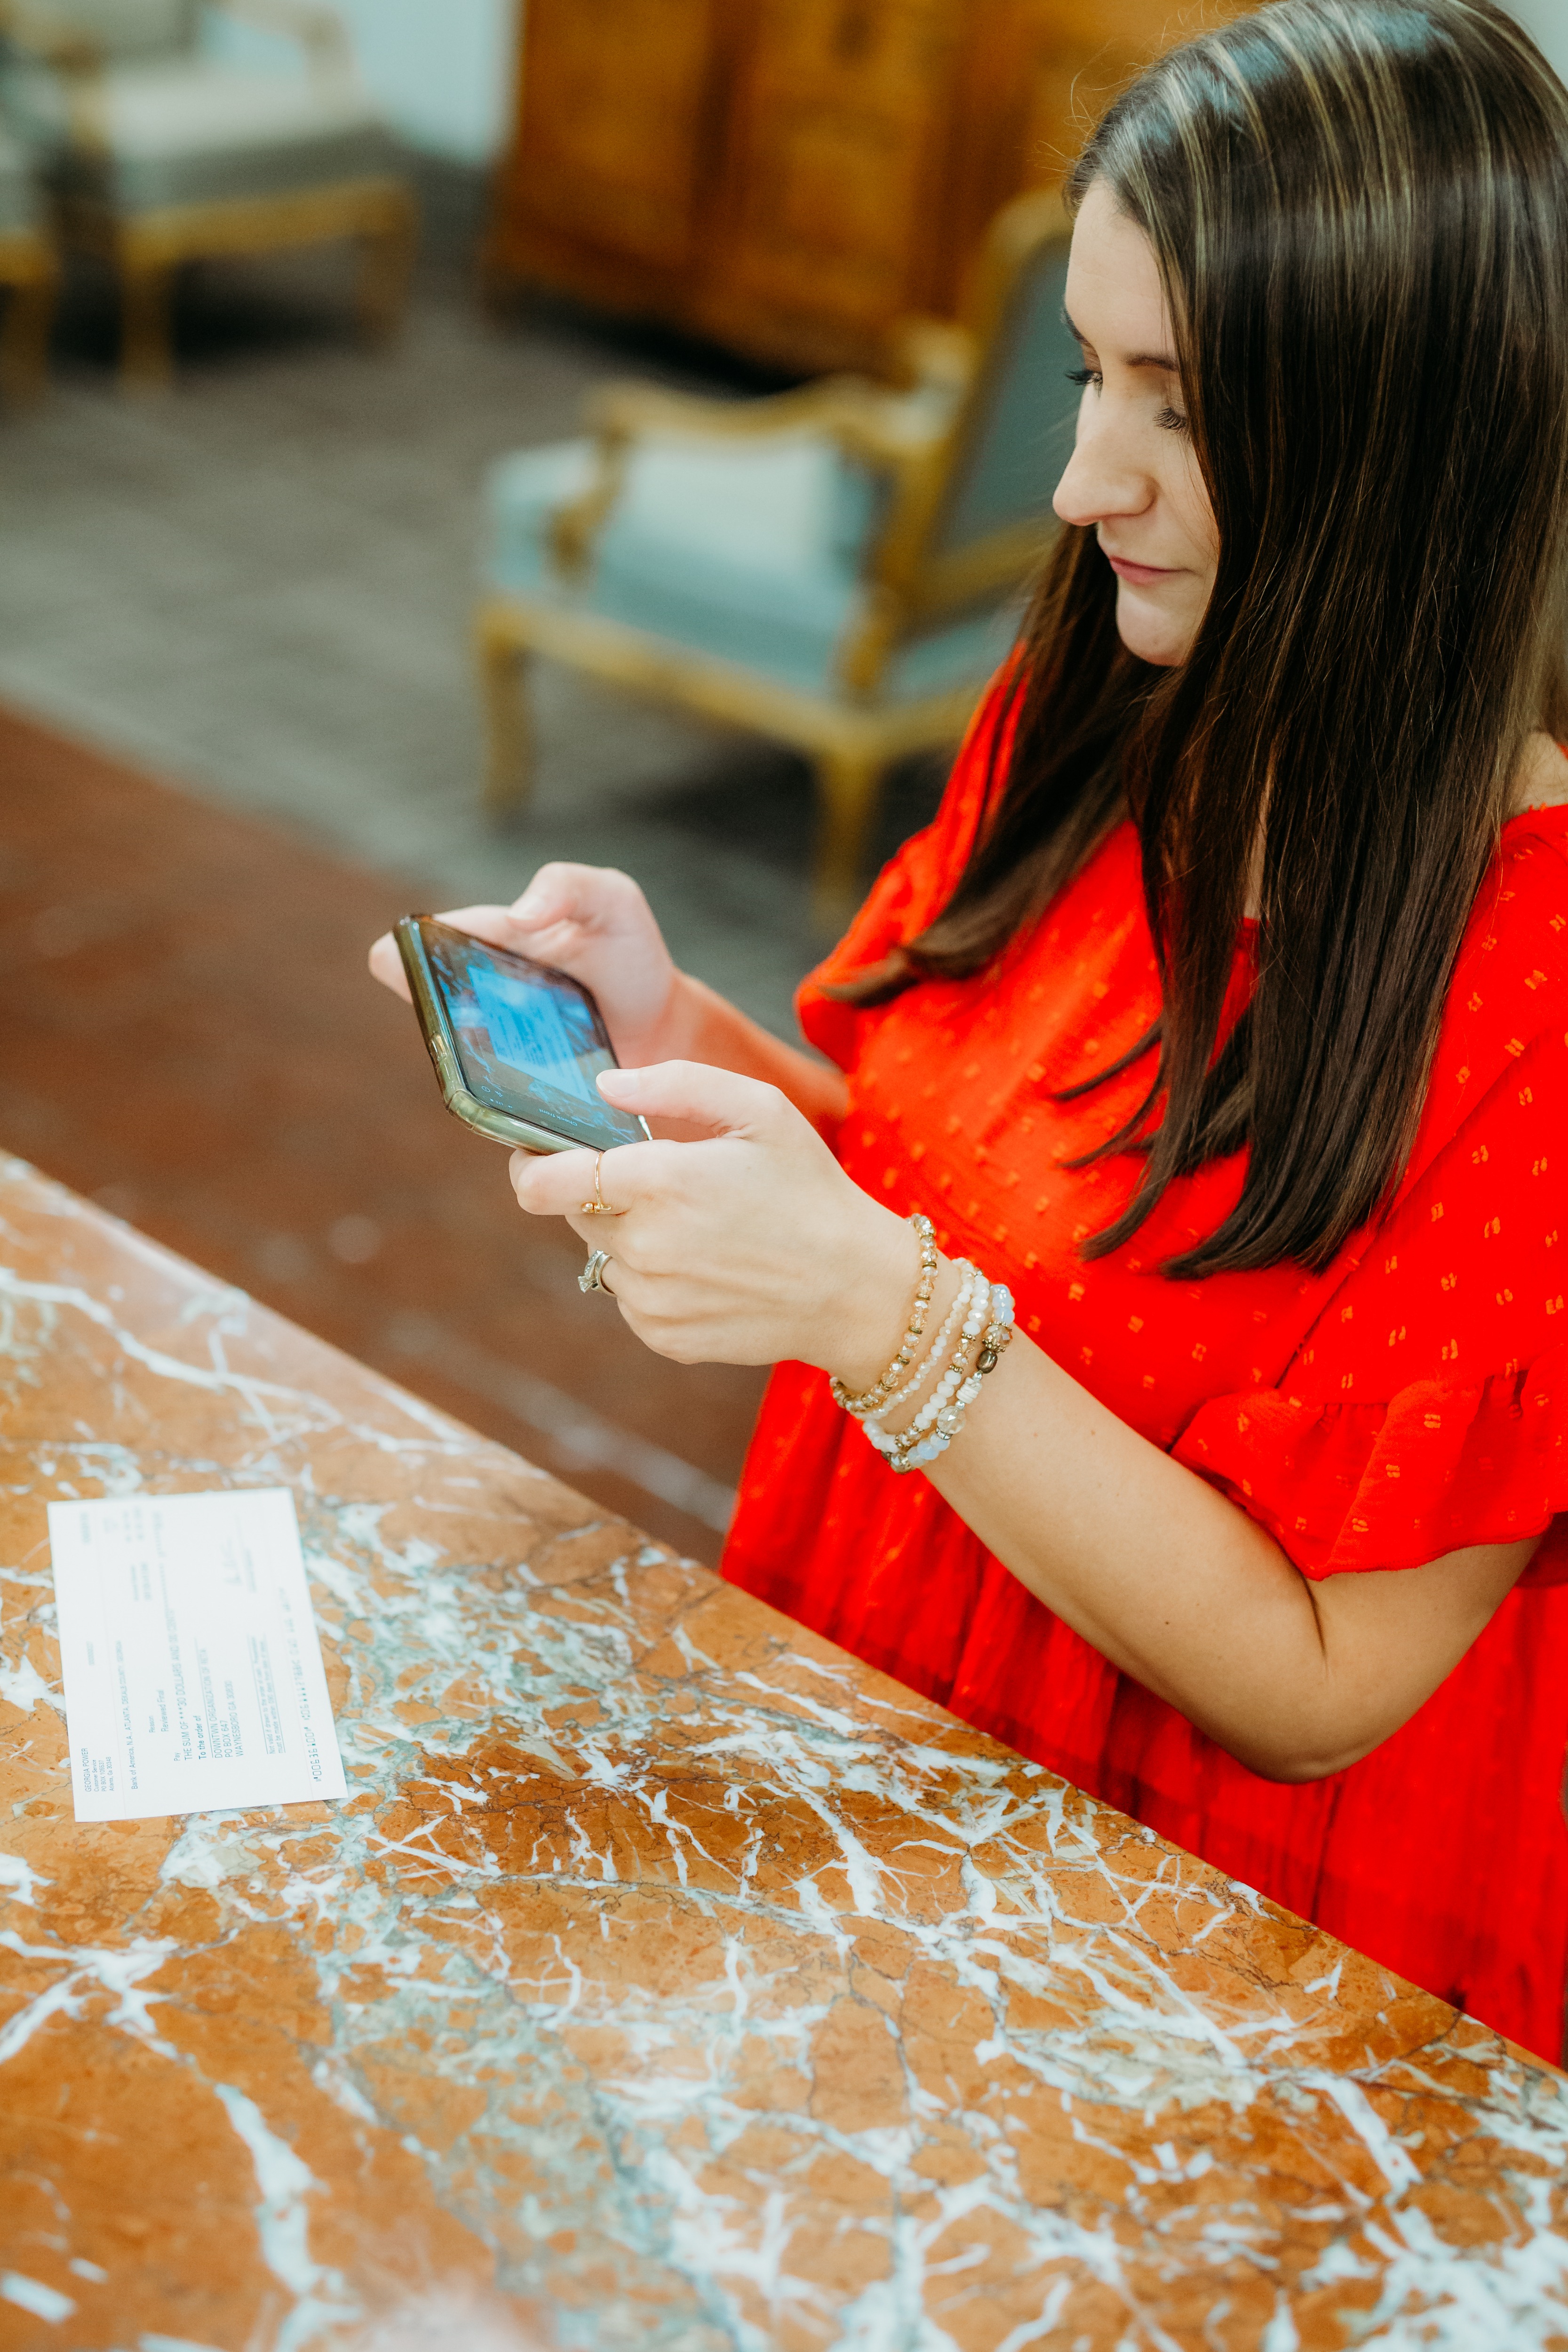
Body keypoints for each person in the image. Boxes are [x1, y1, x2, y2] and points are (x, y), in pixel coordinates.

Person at [373, 0, 1568, 2063]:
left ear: (1410, 449)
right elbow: (923, 1149)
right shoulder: (1105, 709)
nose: (1089, 476)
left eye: (1180, 409)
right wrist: (667, 1025)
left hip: (1195, 1919)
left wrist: (886, 1323)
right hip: (891, 1702)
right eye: (1094, 373)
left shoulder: (1534, 990)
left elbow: (1314, 1678)